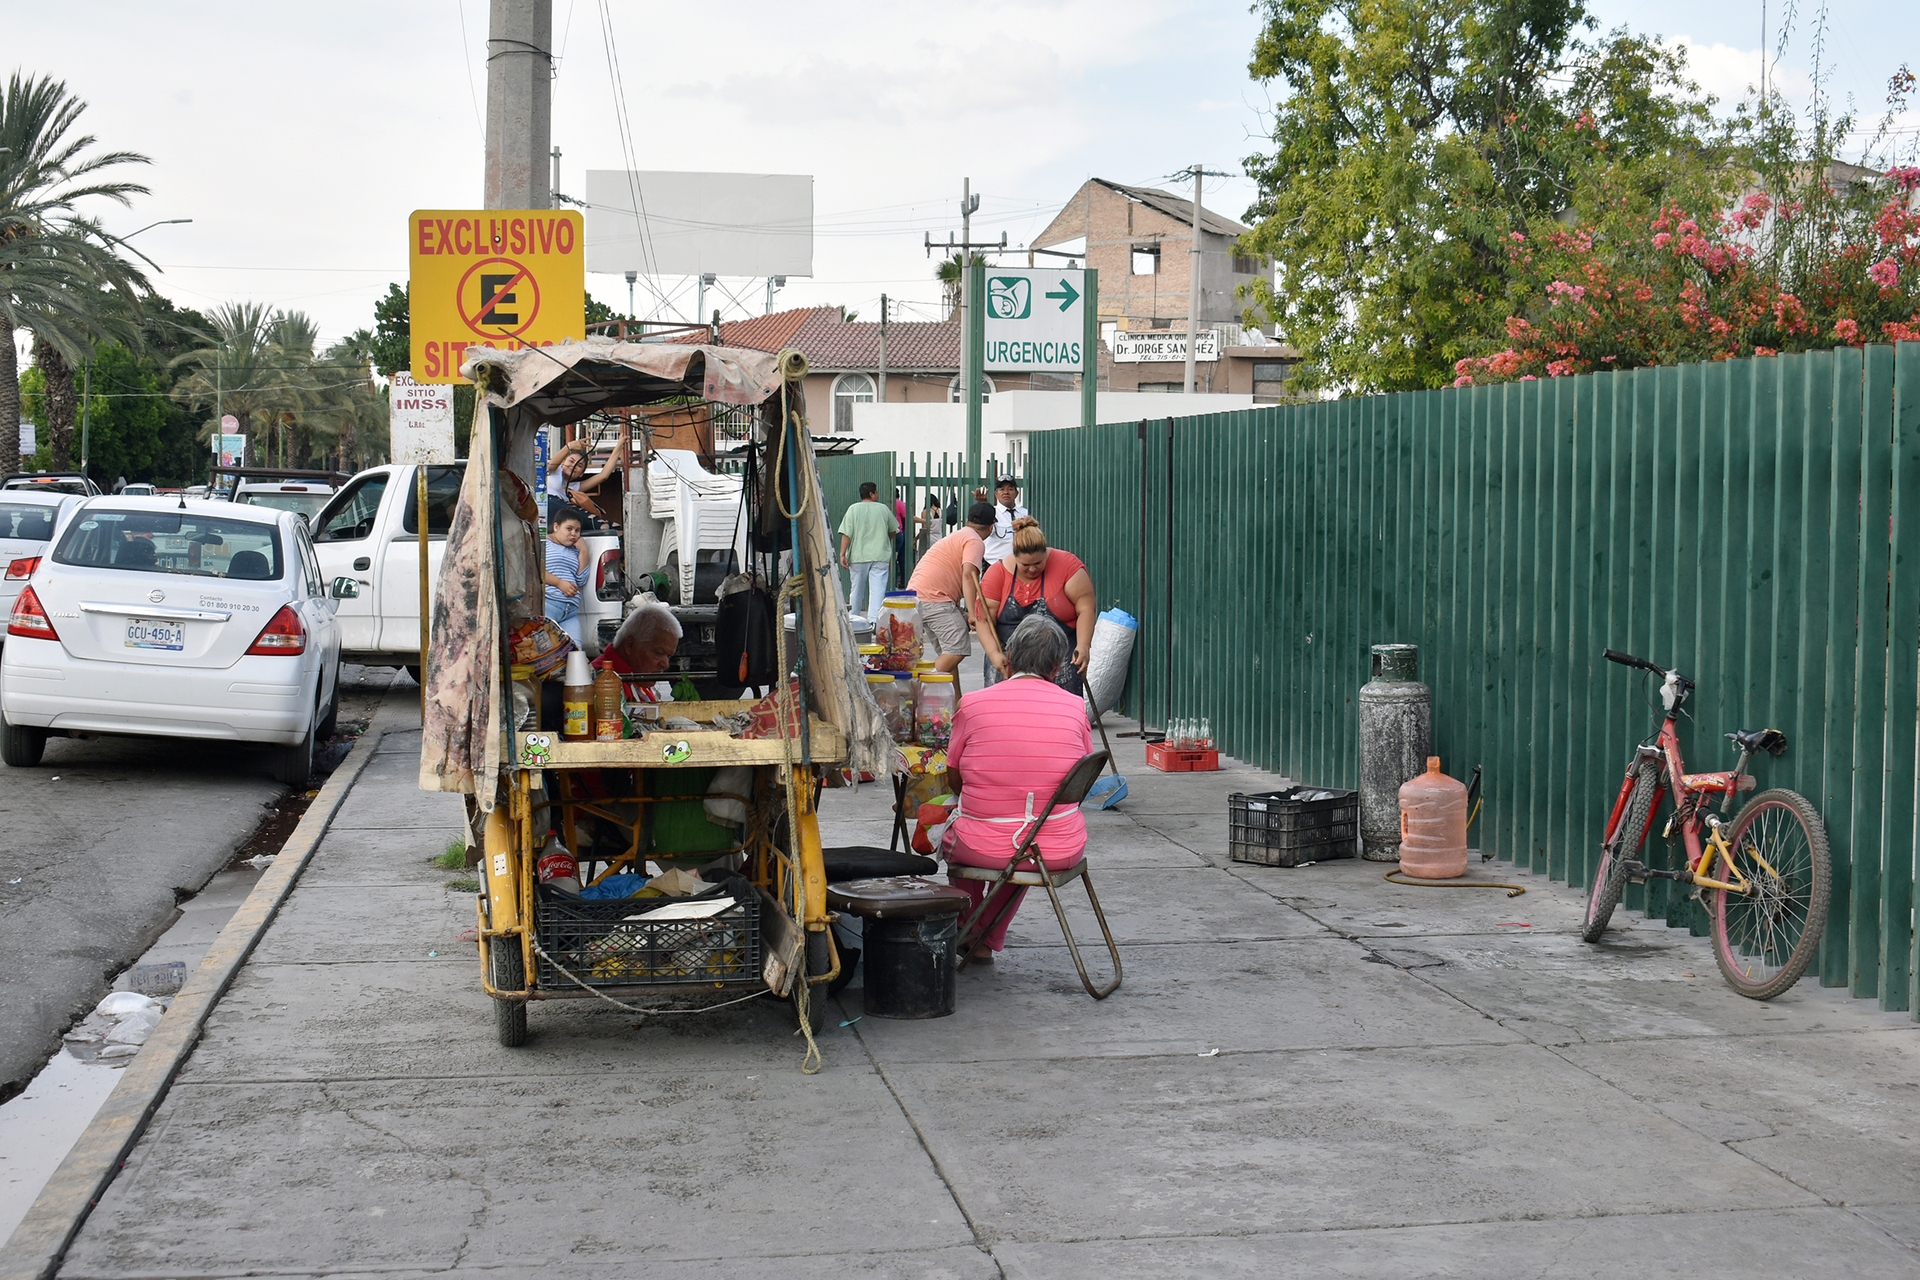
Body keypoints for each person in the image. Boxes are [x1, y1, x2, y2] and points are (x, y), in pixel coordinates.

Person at [943, 614, 1094, 963]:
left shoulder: (973, 704)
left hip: (985, 845)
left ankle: (971, 932)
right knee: (1026, 844)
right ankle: (984, 937)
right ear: (1057, 668)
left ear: (1007, 660)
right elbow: (1082, 778)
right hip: (1058, 847)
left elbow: (954, 777)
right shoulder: (1075, 707)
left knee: (964, 837)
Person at [977, 517, 1095, 696]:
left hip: (1059, 658)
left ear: (1046, 553)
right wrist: (994, 653)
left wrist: (1084, 646)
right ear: (1014, 557)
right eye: (1025, 565)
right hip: (1009, 658)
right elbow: (983, 620)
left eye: (1038, 563)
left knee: (1058, 709)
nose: (1032, 569)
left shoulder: (1068, 567)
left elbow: (1086, 608)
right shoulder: (997, 574)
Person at [906, 501, 994, 675]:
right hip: (934, 599)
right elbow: (969, 575)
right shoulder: (974, 540)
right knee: (957, 648)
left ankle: (955, 702)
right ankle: (917, 686)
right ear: (991, 528)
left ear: (967, 520)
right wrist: (973, 614)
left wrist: (963, 613)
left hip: (918, 597)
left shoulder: (958, 535)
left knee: (948, 655)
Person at [592, 599, 685, 702]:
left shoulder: (637, 677)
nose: (665, 664)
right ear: (630, 645)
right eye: (658, 653)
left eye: (668, 656)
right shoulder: (602, 681)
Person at [837, 481, 898, 623]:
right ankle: (873, 622)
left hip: (858, 556)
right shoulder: (883, 509)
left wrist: (842, 553)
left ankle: (854, 620)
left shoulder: (853, 509)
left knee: (856, 590)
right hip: (879, 556)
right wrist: (884, 541)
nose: (877, 494)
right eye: (876, 492)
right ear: (871, 494)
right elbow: (893, 530)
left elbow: (847, 534)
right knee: (877, 590)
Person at [547, 435, 626, 524]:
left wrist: (619, 446)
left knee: (611, 526)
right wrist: (569, 447)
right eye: (571, 461)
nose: (573, 466)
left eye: (579, 465)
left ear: (581, 474)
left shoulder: (573, 487)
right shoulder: (554, 471)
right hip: (548, 503)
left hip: (560, 515)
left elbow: (603, 475)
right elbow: (551, 465)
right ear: (562, 462)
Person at [542, 504, 590, 647]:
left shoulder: (575, 550)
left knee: (576, 652)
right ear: (556, 527)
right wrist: (558, 583)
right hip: (549, 604)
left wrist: (584, 551)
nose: (573, 534)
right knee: (548, 652)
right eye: (569, 529)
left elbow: (581, 579)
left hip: (570, 611)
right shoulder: (544, 544)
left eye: (577, 530)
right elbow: (533, 571)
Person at [981, 476, 1028, 563]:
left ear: (1017, 493)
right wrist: (983, 505)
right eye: (1002, 489)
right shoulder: (990, 513)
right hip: (995, 565)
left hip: (1021, 566)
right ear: (996, 494)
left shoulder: (1025, 514)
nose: (1006, 492)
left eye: (1010, 489)